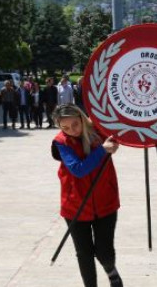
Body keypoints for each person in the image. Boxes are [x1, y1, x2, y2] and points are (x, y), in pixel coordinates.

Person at [50, 104, 123, 287]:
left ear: (82, 118)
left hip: (105, 200)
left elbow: (120, 132)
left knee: (105, 252)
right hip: (75, 205)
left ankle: (111, 271)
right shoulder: (61, 142)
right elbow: (78, 169)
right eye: (65, 127)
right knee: (84, 253)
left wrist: (114, 146)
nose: (72, 131)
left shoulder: (99, 131)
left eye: (75, 124)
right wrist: (102, 150)